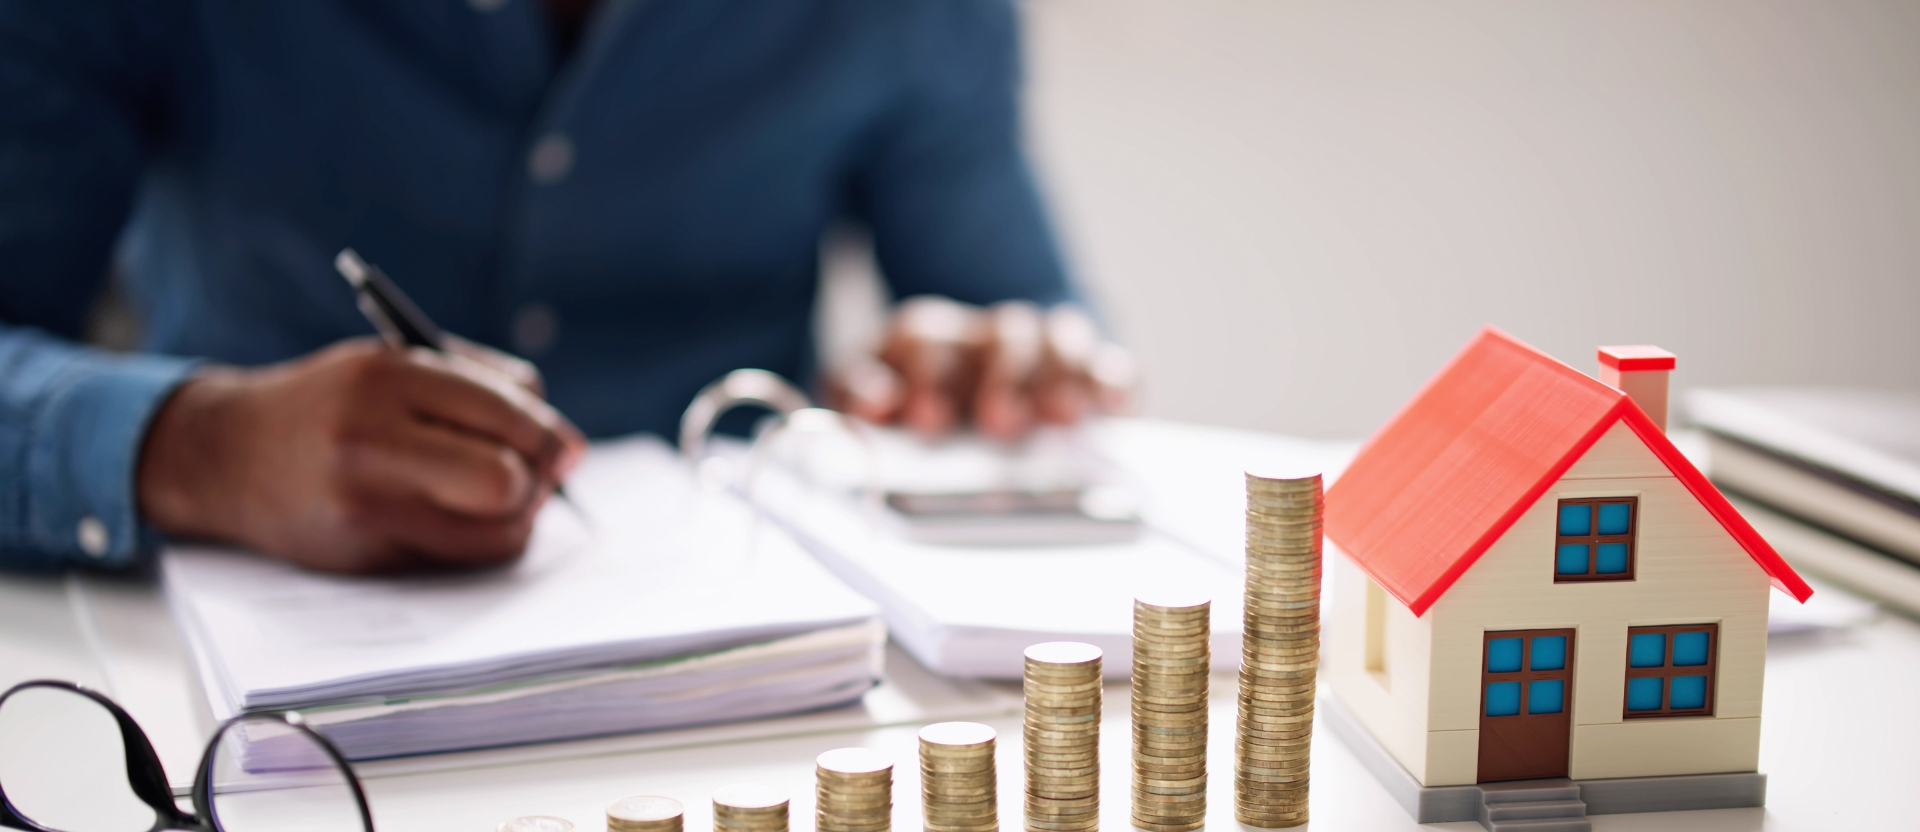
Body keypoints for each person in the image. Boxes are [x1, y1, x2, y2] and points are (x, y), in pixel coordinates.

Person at [0, 0, 1123, 574]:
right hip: (232, 709)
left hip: (751, 713)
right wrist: (201, 449)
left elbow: (1019, 320)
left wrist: (997, 363)